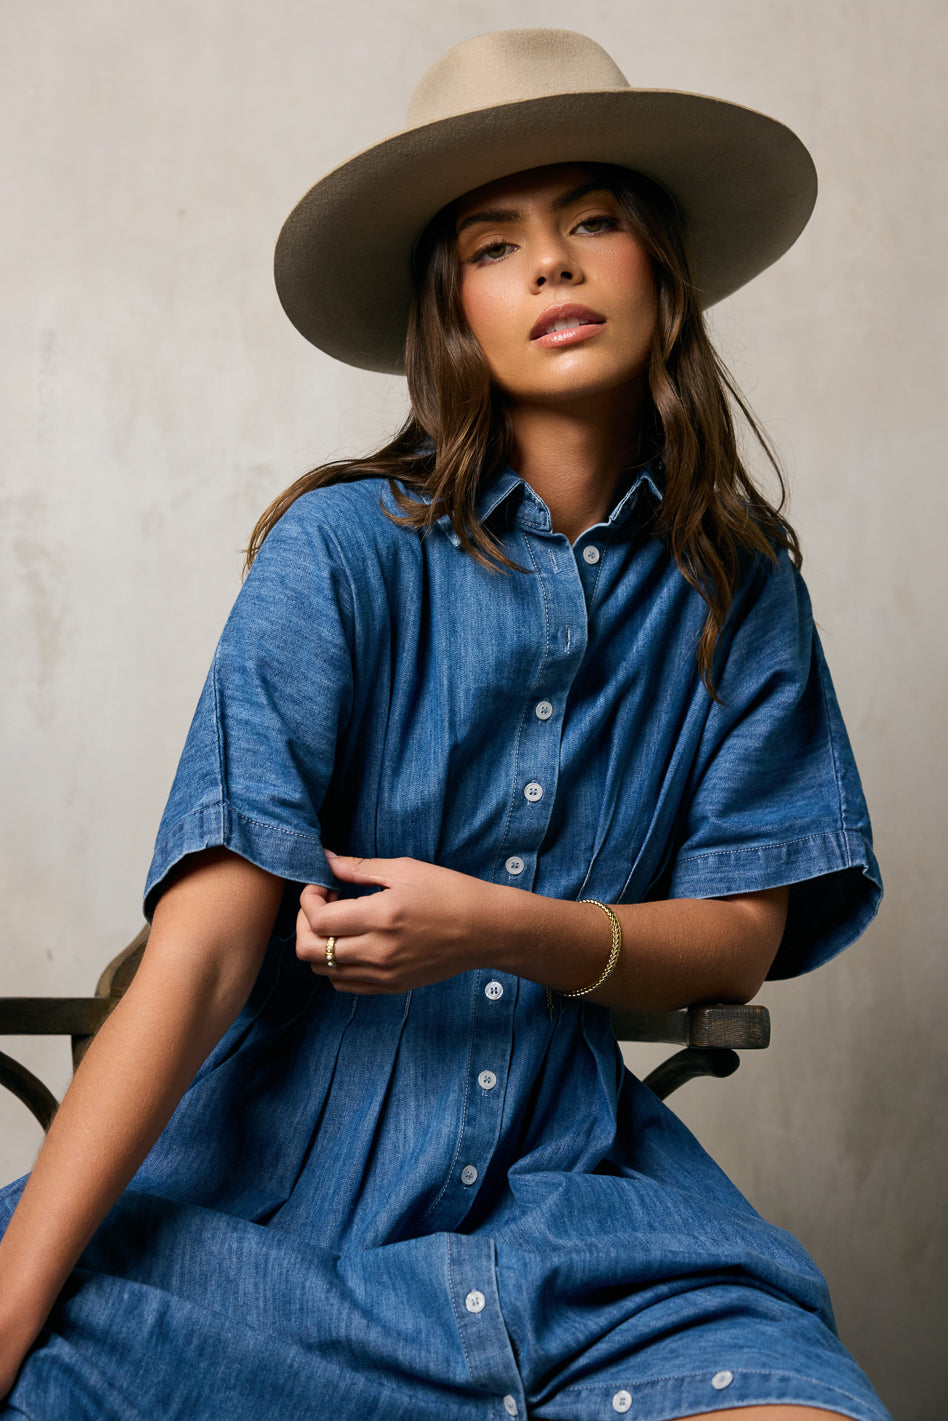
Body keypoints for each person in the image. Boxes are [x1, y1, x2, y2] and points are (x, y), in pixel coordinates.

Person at [0, 27, 891, 1421]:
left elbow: (739, 935)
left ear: (660, 266)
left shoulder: (742, 586)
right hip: (278, 1211)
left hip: (578, 1210)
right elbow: (206, 948)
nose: (551, 266)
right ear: (452, 308)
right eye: (495, 244)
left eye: (592, 222)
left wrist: (501, 926)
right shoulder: (339, 554)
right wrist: (5, 1309)